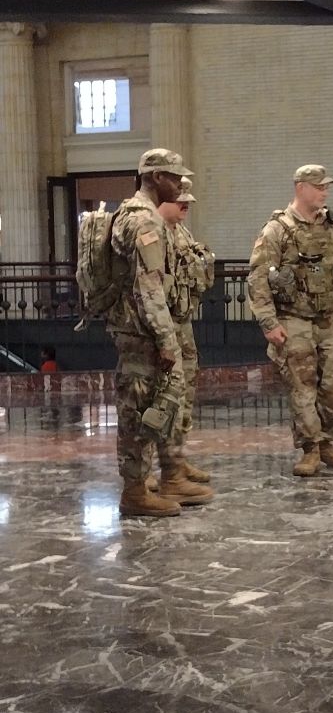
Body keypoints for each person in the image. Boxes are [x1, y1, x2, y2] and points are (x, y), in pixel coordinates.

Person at [107, 149, 213, 518]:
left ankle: (160, 478)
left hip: (141, 330)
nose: (181, 184)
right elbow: (149, 287)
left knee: (154, 408)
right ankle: (135, 493)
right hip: (142, 335)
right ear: (154, 177)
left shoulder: (143, 216)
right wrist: (167, 341)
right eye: (173, 177)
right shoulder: (144, 222)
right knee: (138, 412)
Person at [248, 165, 333, 477]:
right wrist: (269, 323)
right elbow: (258, 278)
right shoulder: (277, 230)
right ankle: (310, 448)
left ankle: (329, 442)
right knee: (303, 386)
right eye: (318, 186)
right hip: (294, 318)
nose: (325, 191)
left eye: (326, 186)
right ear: (300, 188)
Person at [156, 177, 214, 487]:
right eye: (181, 201)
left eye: (188, 202)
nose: (186, 206)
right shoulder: (151, 231)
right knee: (163, 398)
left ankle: (177, 460)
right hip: (160, 328)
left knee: (185, 393)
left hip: (182, 323)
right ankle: (161, 470)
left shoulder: (180, 231)